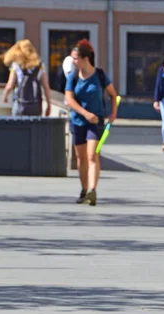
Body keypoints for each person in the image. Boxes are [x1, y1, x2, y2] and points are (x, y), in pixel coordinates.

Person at [65, 39, 118, 206]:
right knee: (81, 158)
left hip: (96, 122)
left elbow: (113, 94)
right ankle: (84, 188)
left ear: (85, 58)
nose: (72, 61)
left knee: (92, 155)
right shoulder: (73, 77)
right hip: (78, 120)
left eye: (75, 58)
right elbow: (69, 99)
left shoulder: (99, 75)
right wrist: (85, 113)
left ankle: (92, 191)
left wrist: (113, 113)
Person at [1, 39, 51, 117]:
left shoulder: (16, 65)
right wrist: (48, 105)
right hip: (36, 105)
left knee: (18, 128)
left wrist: (5, 96)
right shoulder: (40, 66)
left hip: (19, 103)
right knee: (34, 128)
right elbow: (46, 86)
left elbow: (10, 84)